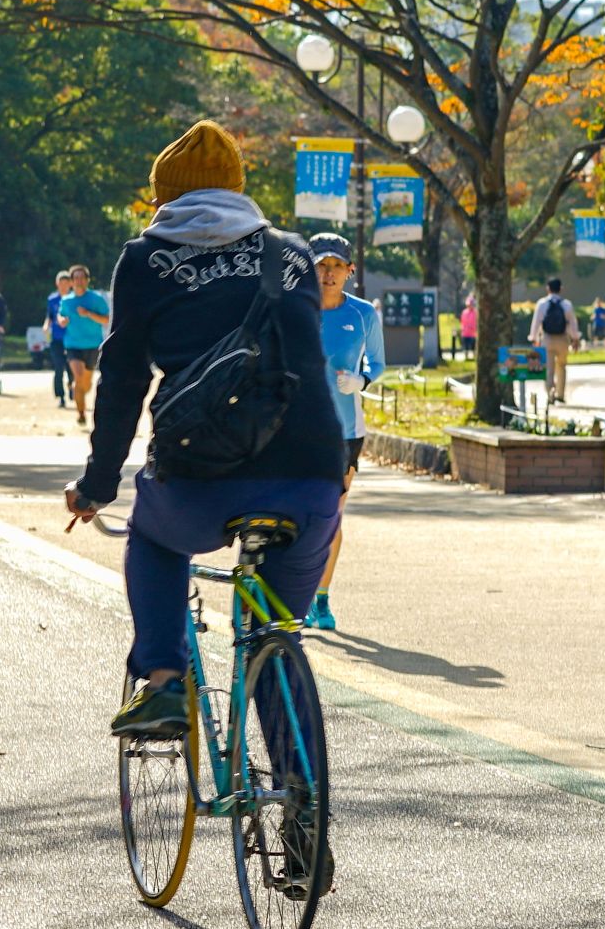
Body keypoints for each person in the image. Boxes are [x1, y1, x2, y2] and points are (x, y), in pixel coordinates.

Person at [59, 121, 347, 738]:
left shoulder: (143, 261)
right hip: (311, 473)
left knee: (155, 542)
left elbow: (123, 381)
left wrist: (98, 486)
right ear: (239, 191)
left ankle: (164, 683)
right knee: (275, 635)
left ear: (165, 197)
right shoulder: (291, 252)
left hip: (201, 471)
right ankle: (300, 812)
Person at [304, 232, 382, 631]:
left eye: (336, 266)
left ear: (350, 271)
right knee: (297, 513)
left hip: (345, 432)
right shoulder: (295, 308)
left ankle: (321, 599)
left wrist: (361, 380)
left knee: (331, 516)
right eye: (320, 264)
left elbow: (378, 365)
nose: (327, 273)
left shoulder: (364, 314)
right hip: (297, 428)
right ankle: (292, 591)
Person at [57, 263, 110, 428]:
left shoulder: (96, 299)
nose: (79, 281)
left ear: (87, 280)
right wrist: (62, 321)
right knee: (79, 376)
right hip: (73, 345)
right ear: (71, 281)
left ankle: (78, 391)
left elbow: (106, 320)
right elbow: (60, 316)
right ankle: (81, 413)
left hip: (92, 345)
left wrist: (88, 314)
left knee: (86, 384)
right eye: (76, 278)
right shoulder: (66, 301)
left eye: (82, 277)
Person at [529, 276, 581, 402]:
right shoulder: (566, 304)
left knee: (549, 368)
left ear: (548, 288)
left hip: (547, 339)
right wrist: (575, 339)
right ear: (561, 289)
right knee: (561, 366)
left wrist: (533, 338)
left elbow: (536, 323)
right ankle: (561, 394)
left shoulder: (542, 304)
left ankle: (550, 394)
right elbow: (572, 324)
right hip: (563, 339)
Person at [45, 270, 73, 408]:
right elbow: (49, 316)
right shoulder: (52, 299)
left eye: (66, 283)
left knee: (72, 368)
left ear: (70, 284)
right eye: (61, 283)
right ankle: (61, 396)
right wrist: (46, 326)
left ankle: (72, 387)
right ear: (57, 284)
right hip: (56, 338)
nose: (63, 286)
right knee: (58, 367)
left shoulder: (74, 299)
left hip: (72, 339)